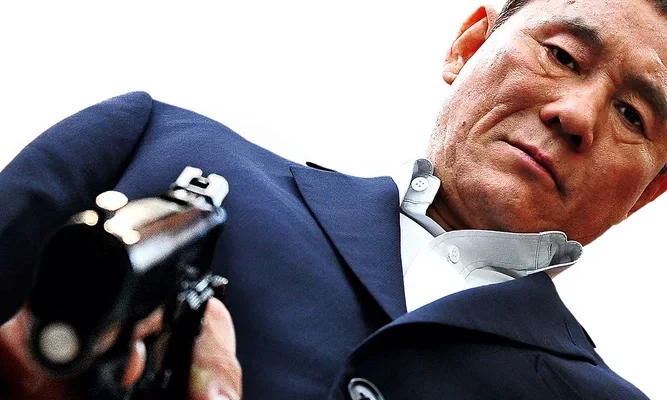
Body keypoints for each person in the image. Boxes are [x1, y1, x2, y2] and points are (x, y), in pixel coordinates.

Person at [1, 0, 665, 398]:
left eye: (633, 115)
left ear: (648, 192)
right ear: (468, 45)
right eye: (563, 56)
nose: (576, 115)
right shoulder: (151, 141)